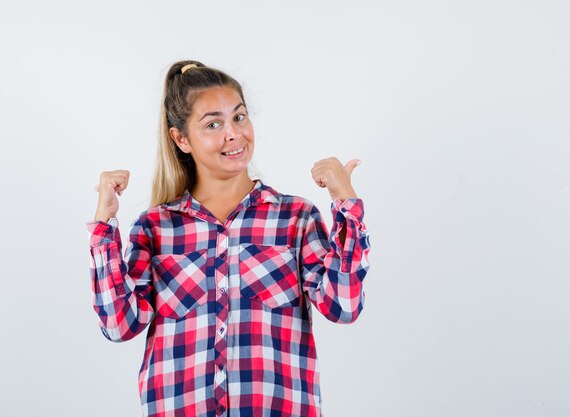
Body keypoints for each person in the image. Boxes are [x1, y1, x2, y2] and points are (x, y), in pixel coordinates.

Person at [86, 60, 371, 417]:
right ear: (181, 139)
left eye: (239, 117)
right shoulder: (155, 228)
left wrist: (346, 205)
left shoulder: (295, 219)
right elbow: (119, 325)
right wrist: (104, 226)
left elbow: (343, 306)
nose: (233, 134)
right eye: (213, 124)